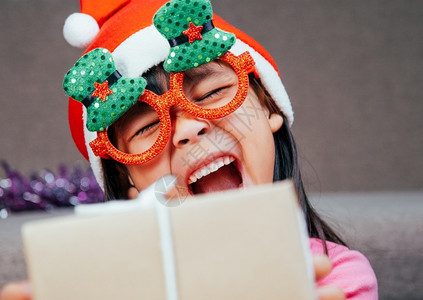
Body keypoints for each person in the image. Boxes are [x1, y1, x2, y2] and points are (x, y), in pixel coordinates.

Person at [1, 0, 377, 299]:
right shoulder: (115, 289)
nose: (188, 129)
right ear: (127, 180)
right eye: (147, 126)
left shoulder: (337, 280)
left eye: (213, 93)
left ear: (269, 109)